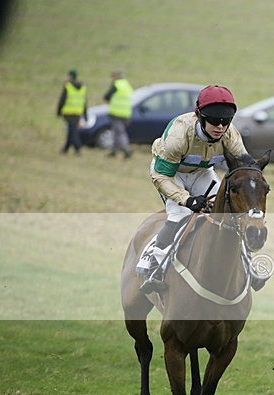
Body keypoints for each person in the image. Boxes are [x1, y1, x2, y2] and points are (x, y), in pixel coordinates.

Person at [138, 84, 263, 294]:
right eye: (214, 121)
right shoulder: (179, 135)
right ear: (200, 115)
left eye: (225, 121)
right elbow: (161, 176)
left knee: (230, 215)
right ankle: (154, 266)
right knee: (179, 214)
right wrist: (186, 200)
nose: (220, 127)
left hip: (202, 173)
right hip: (171, 173)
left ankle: (248, 265)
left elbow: (244, 165)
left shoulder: (230, 135)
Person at [103, 70, 133, 158]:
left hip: (116, 113)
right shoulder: (126, 85)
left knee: (120, 133)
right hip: (126, 113)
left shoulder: (116, 85)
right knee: (116, 133)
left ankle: (127, 150)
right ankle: (113, 151)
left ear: (116, 77)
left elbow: (106, 96)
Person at [56, 69, 87, 155]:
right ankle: (65, 149)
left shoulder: (68, 86)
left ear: (70, 76)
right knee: (71, 130)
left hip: (68, 112)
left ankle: (78, 148)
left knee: (72, 131)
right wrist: (85, 114)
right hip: (78, 112)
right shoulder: (82, 87)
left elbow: (62, 100)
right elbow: (84, 102)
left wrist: (59, 111)